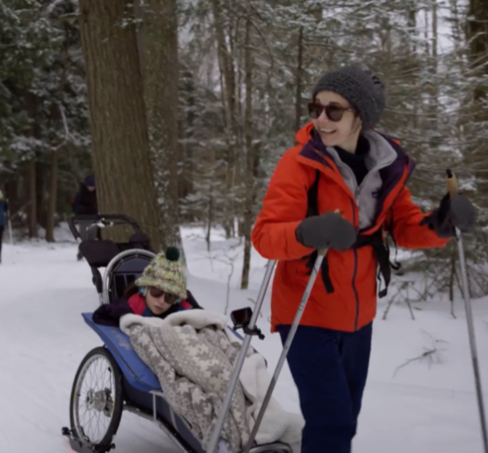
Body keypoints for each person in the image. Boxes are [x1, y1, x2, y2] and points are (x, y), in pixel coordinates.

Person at [251, 66, 476, 453]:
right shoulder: (299, 163)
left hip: (358, 316)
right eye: (316, 108)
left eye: (334, 110)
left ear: (361, 117)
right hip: (306, 312)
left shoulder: (385, 167)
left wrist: (441, 224)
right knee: (332, 421)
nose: (322, 119)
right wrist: (307, 232)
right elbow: (265, 237)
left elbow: (405, 226)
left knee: (346, 418)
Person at [92, 247, 201, 327]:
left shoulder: (186, 310)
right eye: (156, 291)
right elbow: (100, 316)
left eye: (169, 296)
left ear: (177, 300)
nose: (161, 301)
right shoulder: (129, 308)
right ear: (144, 289)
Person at [72, 175, 98, 260]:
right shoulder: (81, 194)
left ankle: (91, 253)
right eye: (90, 186)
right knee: (84, 237)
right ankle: (81, 253)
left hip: (93, 218)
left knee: (92, 236)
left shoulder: (96, 193)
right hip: (83, 218)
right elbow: (75, 206)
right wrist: (83, 209)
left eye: (93, 186)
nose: (91, 188)